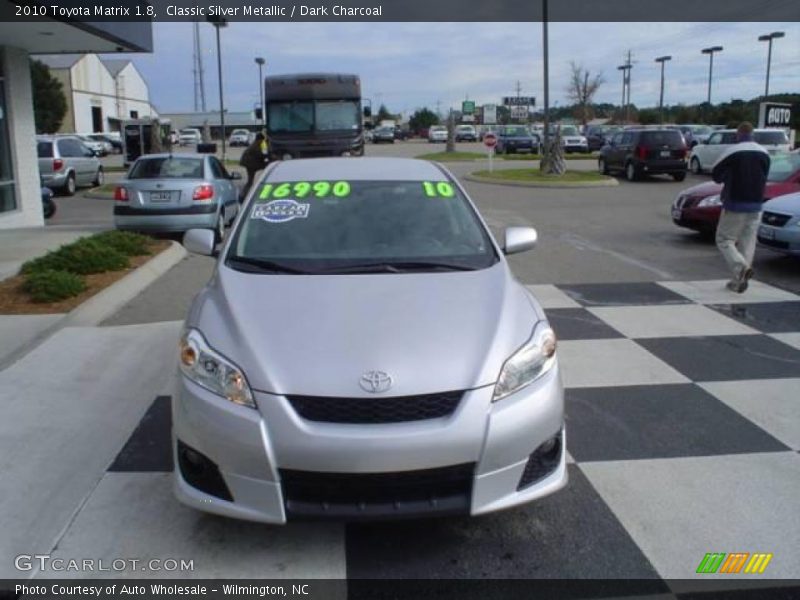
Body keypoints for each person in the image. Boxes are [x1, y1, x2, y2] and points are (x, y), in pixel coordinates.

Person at [712, 122, 770, 293]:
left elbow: (716, 174)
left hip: (735, 202)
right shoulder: (764, 152)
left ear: (738, 134)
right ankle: (739, 281)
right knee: (748, 242)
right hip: (757, 204)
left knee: (724, 239)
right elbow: (765, 174)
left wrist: (727, 177)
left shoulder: (732, 151)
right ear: (753, 134)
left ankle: (741, 269)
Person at [239, 133, 268, 202]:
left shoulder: (255, 144)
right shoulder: (256, 145)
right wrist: (266, 160)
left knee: (250, 181)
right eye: (262, 140)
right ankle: (243, 195)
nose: (262, 141)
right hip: (250, 164)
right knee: (250, 182)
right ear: (259, 139)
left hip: (250, 164)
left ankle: (244, 195)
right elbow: (260, 155)